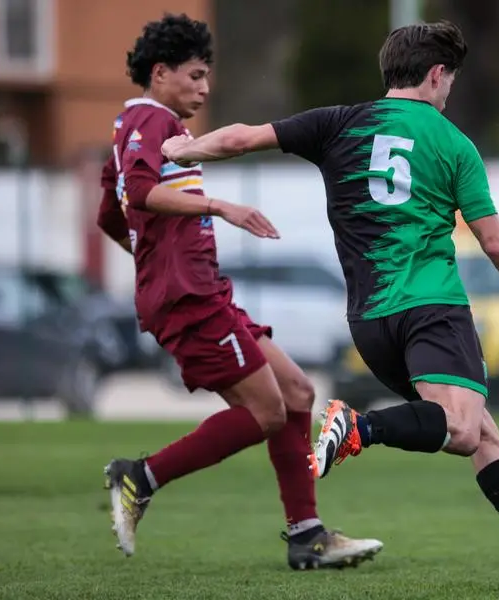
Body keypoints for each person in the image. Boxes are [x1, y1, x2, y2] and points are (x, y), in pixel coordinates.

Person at [160, 20, 499, 586]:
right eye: (449, 81)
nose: (448, 93)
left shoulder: (337, 123)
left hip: (370, 324)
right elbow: (496, 242)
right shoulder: (452, 144)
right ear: (435, 74)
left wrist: (186, 148)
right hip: (431, 309)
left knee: (481, 434)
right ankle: (358, 426)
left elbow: (239, 137)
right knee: (463, 429)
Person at [97, 13, 383, 569]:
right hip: (190, 297)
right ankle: (140, 476)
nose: (205, 88)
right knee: (268, 412)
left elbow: (111, 214)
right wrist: (217, 207)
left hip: (199, 289)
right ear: (161, 74)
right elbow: (139, 193)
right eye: (196, 75)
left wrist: (154, 256)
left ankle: (308, 536)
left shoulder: (134, 126)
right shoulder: (152, 120)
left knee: (298, 393)